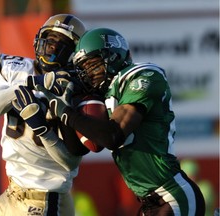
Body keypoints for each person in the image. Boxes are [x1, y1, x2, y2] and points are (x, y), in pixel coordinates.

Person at [36, 27, 206, 215]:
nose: (89, 74)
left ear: (113, 57)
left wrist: (67, 113)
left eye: (92, 65)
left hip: (174, 196)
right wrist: (62, 112)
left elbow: (112, 135)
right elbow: (78, 148)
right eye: (83, 69)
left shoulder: (144, 75)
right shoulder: (107, 93)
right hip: (149, 202)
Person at [0, 14, 89, 216]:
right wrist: (32, 83)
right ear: (38, 40)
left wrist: (42, 128)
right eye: (51, 39)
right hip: (14, 191)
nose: (53, 47)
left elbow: (70, 161)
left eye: (63, 44)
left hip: (45, 196)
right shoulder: (14, 69)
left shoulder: (77, 90)